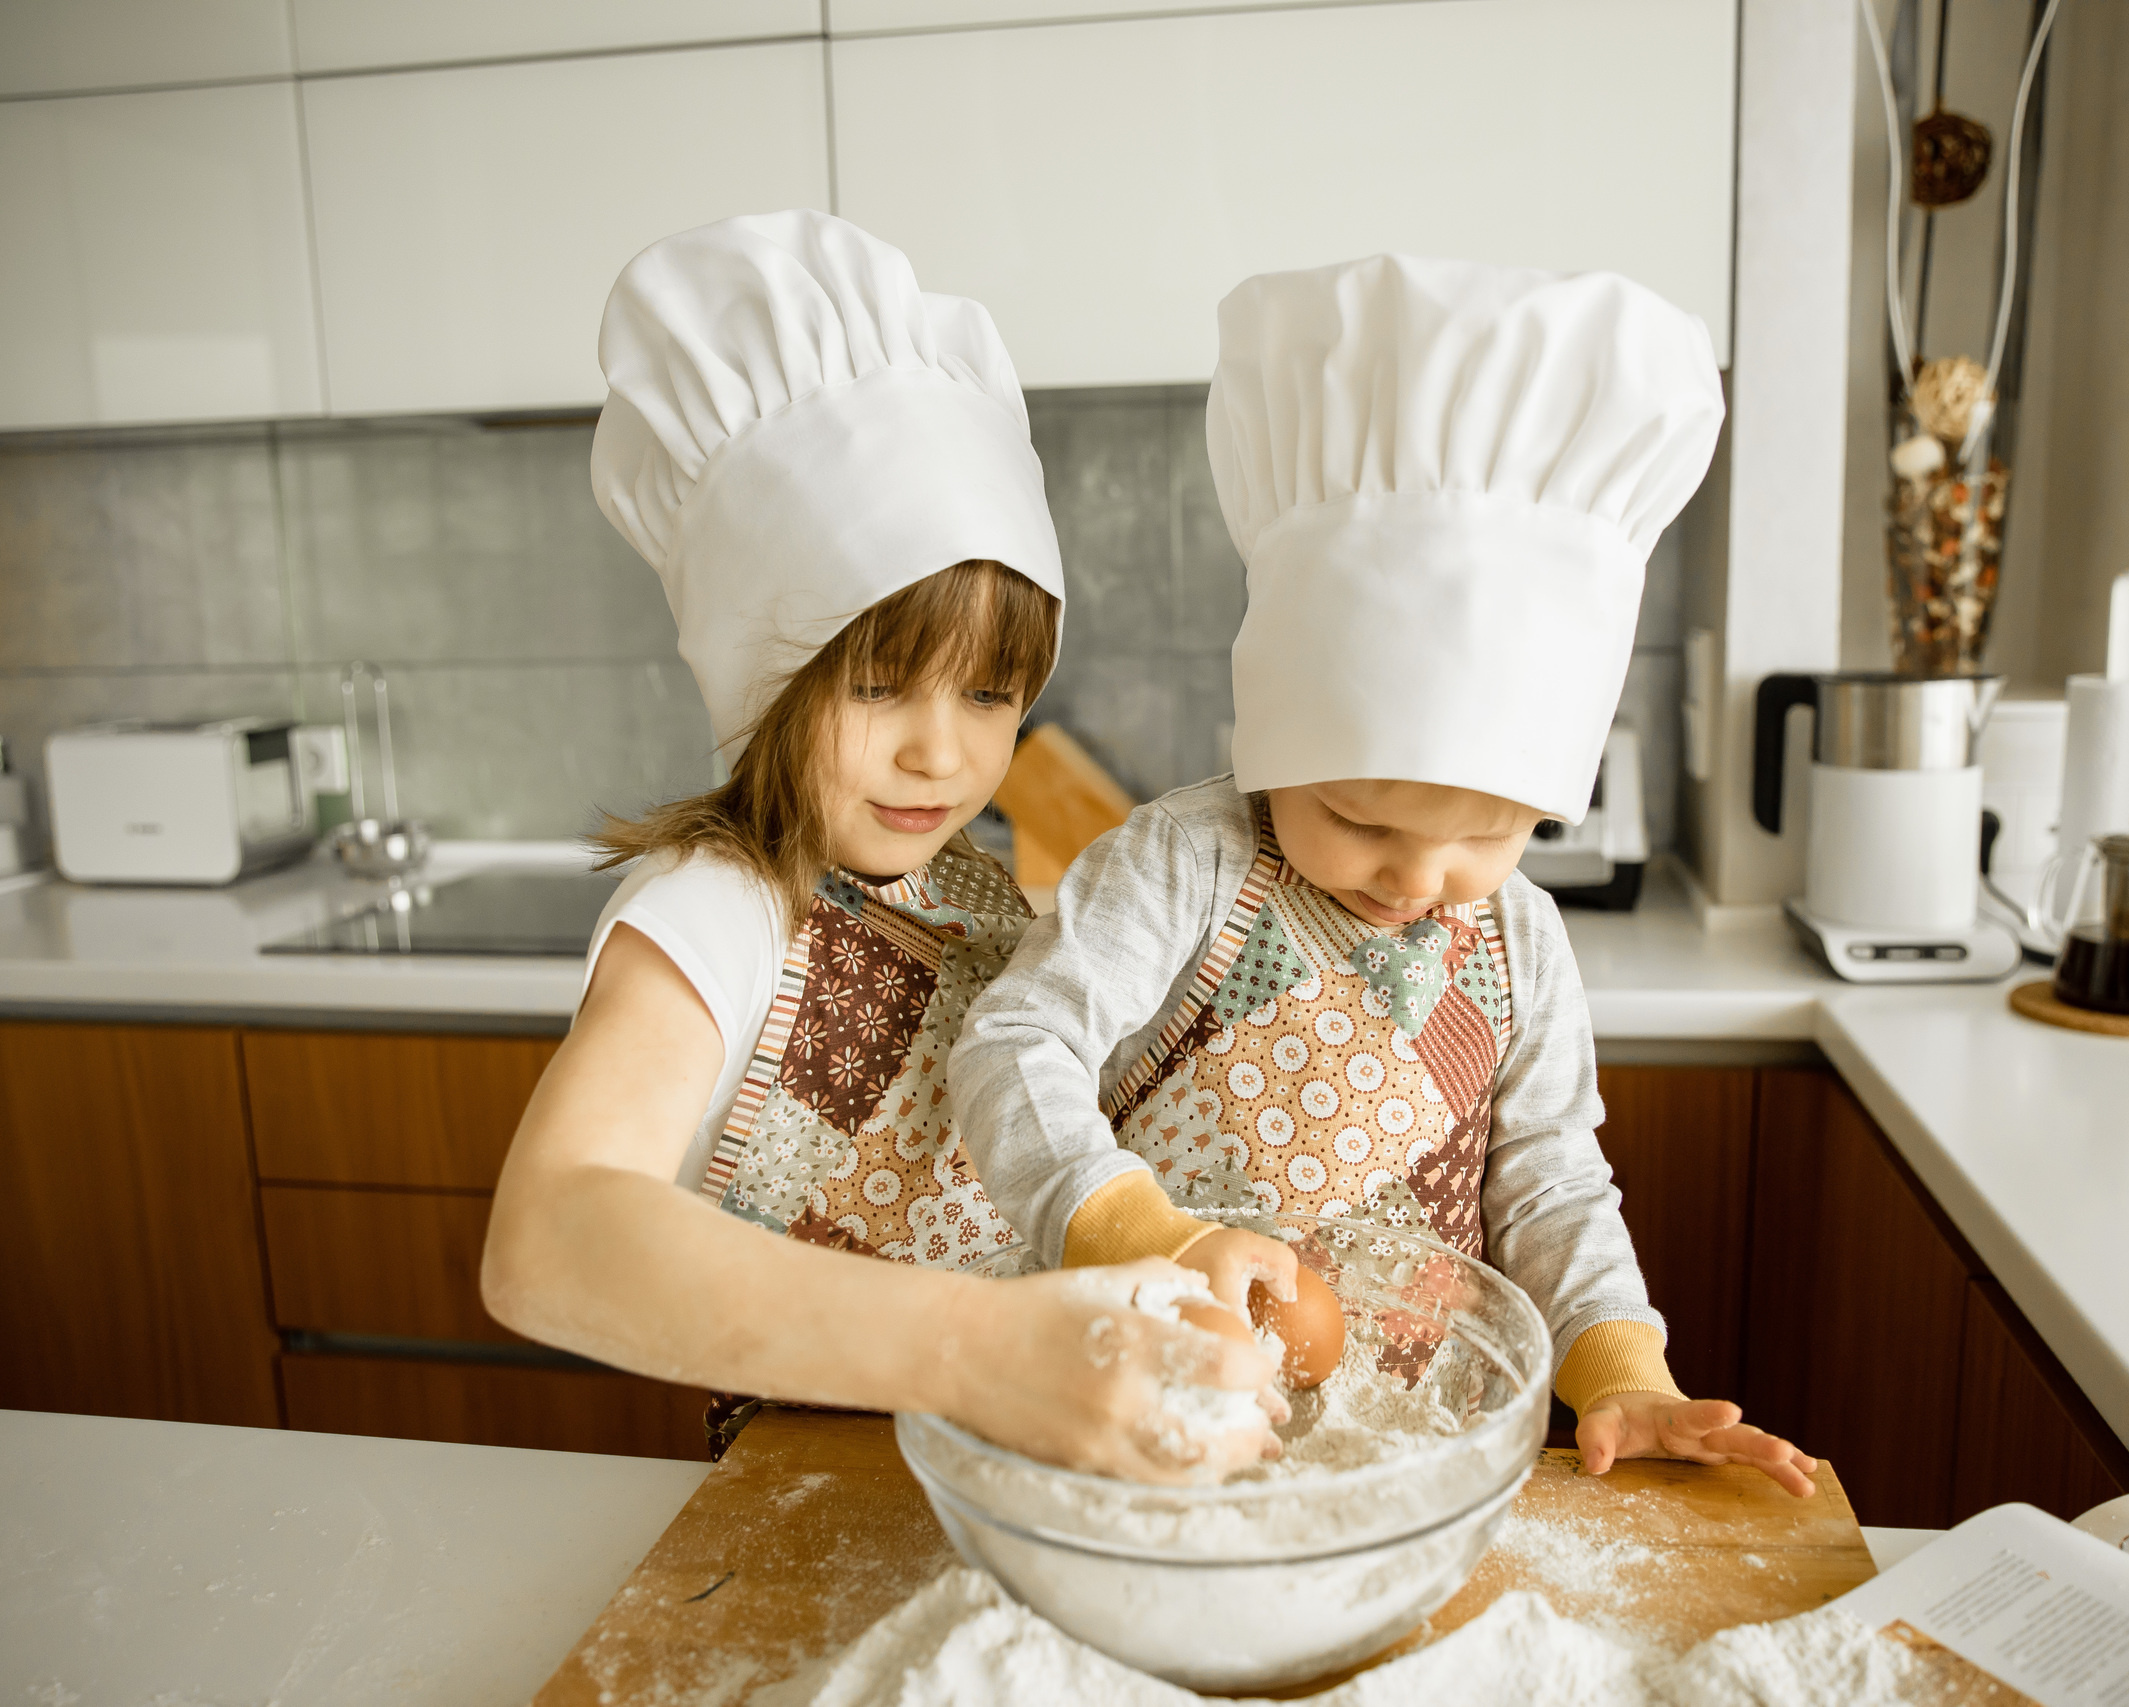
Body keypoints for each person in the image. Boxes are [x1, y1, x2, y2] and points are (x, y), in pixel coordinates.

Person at [952, 253, 1817, 1496]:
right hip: (1149, 1406)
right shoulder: (1185, 864)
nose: (1419, 878)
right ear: (1272, 750)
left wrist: (1622, 1369)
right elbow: (1015, 1043)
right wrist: (1144, 1229)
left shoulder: (1520, 940)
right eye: (1358, 818)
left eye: (1488, 836)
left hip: (1407, 1440)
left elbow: (1552, 1173)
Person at [480, 210, 1283, 1484]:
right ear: (766, 673)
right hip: (812, 1502)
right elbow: (550, 1235)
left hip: (998, 1486)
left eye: (987, 695)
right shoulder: (714, 908)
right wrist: (981, 1352)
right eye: (878, 688)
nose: (940, 756)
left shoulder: (963, 879)